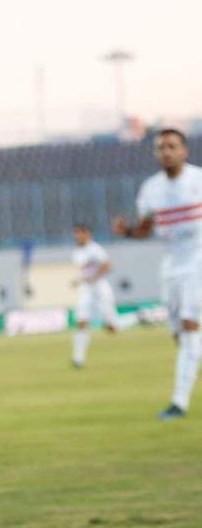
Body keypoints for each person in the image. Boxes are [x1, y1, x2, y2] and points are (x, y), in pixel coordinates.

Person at [113, 128, 202, 419]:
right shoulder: (151, 189)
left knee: (190, 325)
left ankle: (179, 402)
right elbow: (145, 230)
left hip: (198, 259)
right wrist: (127, 232)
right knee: (178, 334)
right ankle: (188, 373)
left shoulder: (198, 180)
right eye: (161, 147)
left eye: (172, 146)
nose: (166, 152)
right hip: (172, 264)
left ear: (184, 151)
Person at [70, 224, 118, 368]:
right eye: (76, 233)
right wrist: (79, 281)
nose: (77, 236)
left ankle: (140, 318)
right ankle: (78, 359)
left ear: (87, 234)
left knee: (111, 328)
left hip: (101, 289)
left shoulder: (95, 249)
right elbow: (85, 273)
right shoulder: (77, 253)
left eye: (80, 233)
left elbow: (108, 266)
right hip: (86, 291)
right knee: (81, 321)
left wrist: (94, 278)